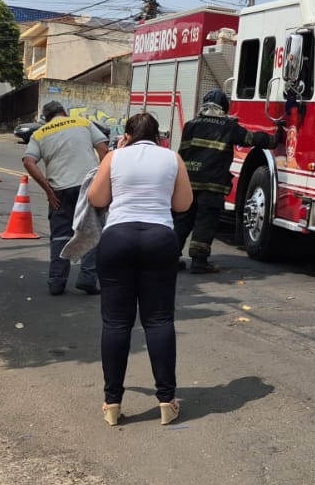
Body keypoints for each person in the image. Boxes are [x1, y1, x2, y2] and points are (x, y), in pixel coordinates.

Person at [87, 112, 193, 427]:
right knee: (159, 321)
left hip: (118, 238)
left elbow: (96, 197)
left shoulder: (115, 156)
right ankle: (166, 400)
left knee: (116, 323)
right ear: (159, 136)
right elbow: (183, 204)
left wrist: (118, 152)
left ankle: (112, 403)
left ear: (128, 135)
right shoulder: (172, 158)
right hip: (160, 238)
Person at [173, 88, 273, 274]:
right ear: (224, 108)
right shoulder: (228, 127)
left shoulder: (190, 125)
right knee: (205, 221)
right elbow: (251, 139)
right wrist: (274, 139)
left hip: (188, 182)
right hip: (212, 185)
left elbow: (182, 153)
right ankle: (199, 262)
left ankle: (169, 258)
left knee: (182, 220)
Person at [22, 101, 111, 296]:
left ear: (46, 118)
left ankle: (56, 282)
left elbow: (29, 161)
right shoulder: (83, 123)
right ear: (64, 112)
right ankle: (87, 277)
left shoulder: (39, 133)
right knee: (92, 231)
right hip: (87, 185)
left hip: (59, 190)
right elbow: (103, 149)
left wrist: (47, 189)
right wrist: (103, 179)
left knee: (61, 235)